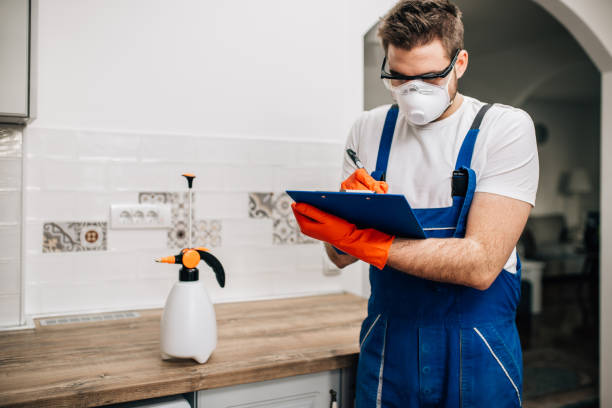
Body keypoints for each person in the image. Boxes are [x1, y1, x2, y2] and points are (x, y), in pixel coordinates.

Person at [291, 1, 539, 407]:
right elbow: (338, 259)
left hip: (478, 347)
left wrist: (369, 242)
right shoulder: (368, 129)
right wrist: (338, 228)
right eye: (399, 77)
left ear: (459, 63)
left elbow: (481, 265)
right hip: (390, 343)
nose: (412, 90)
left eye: (428, 77)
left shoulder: (504, 128)